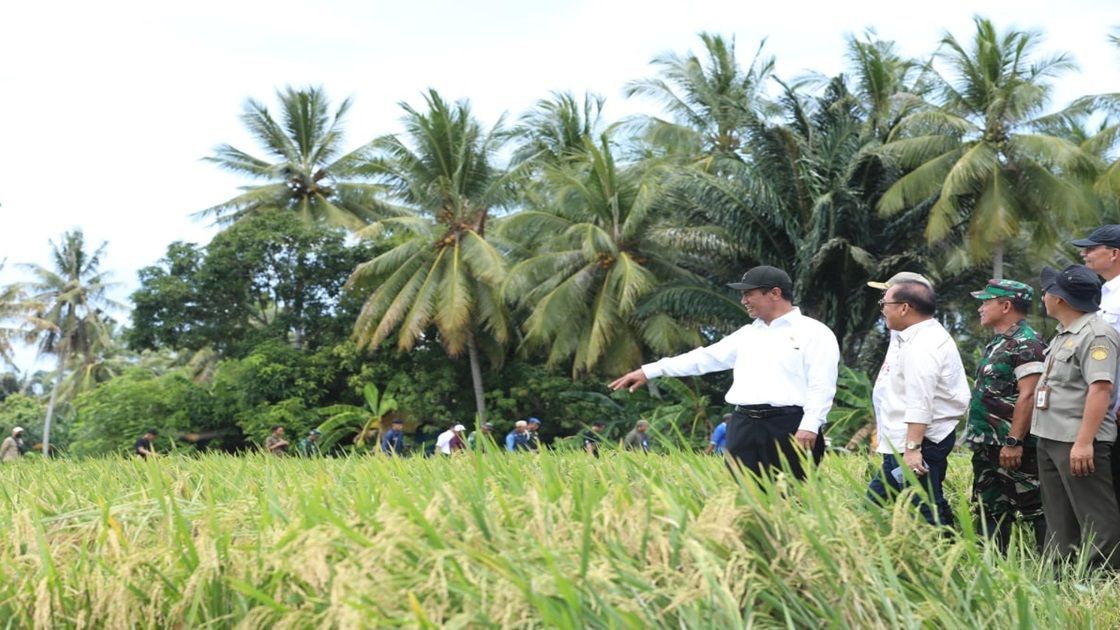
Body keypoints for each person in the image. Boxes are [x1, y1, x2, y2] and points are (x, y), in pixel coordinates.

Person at [610, 265, 840, 481]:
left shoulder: (815, 333)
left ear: (775, 293)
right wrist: (649, 371)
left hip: (790, 425)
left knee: (792, 494)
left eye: (749, 294)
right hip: (744, 425)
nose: (744, 301)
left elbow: (822, 384)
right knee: (744, 494)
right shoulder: (747, 335)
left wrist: (810, 425)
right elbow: (702, 359)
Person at [1031, 264, 1120, 568]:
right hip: (1051, 435)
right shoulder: (1064, 334)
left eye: (1048, 291)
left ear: (1061, 299)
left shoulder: (1096, 335)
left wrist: (1084, 443)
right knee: (1059, 514)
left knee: (1096, 516)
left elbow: (1100, 389)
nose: (1043, 296)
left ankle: (1101, 578)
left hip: (1076, 438)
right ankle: (1061, 575)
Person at [866, 279, 969, 526]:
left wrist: (913, 449)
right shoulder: (919, 336)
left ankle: (946, 555)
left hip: (918, 442)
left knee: (923, 507)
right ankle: (953, 546)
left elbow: (920, 401)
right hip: (909, 441)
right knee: (891, 501)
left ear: (904, 308)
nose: (882, 309)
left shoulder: (922, 346)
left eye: (885, 303)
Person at [963, 279, 1047, 551]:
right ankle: (992, 568)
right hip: (988, 445)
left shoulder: (1027, 344)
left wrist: (1014, 441)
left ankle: (1054, 572)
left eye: (986, 302)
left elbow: (1029, 395)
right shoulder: (1000, 343)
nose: (981, 308)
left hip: (1012, 446)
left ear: (1006, 305)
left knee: (1035, 507)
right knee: (990, 507)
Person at [1075, 224, 1120, 508]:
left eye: (1092, 249)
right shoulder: (1103, 294)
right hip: (1104, 411)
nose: (1085, 255)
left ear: (1115, 253)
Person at [866, 272, 936, 435]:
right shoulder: (899, 332)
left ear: (906, 305)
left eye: (888, 298)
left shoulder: (921, 342)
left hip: (908, 437)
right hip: (894, 434)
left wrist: (912, 445)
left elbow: (920, 398)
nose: (883, 305)